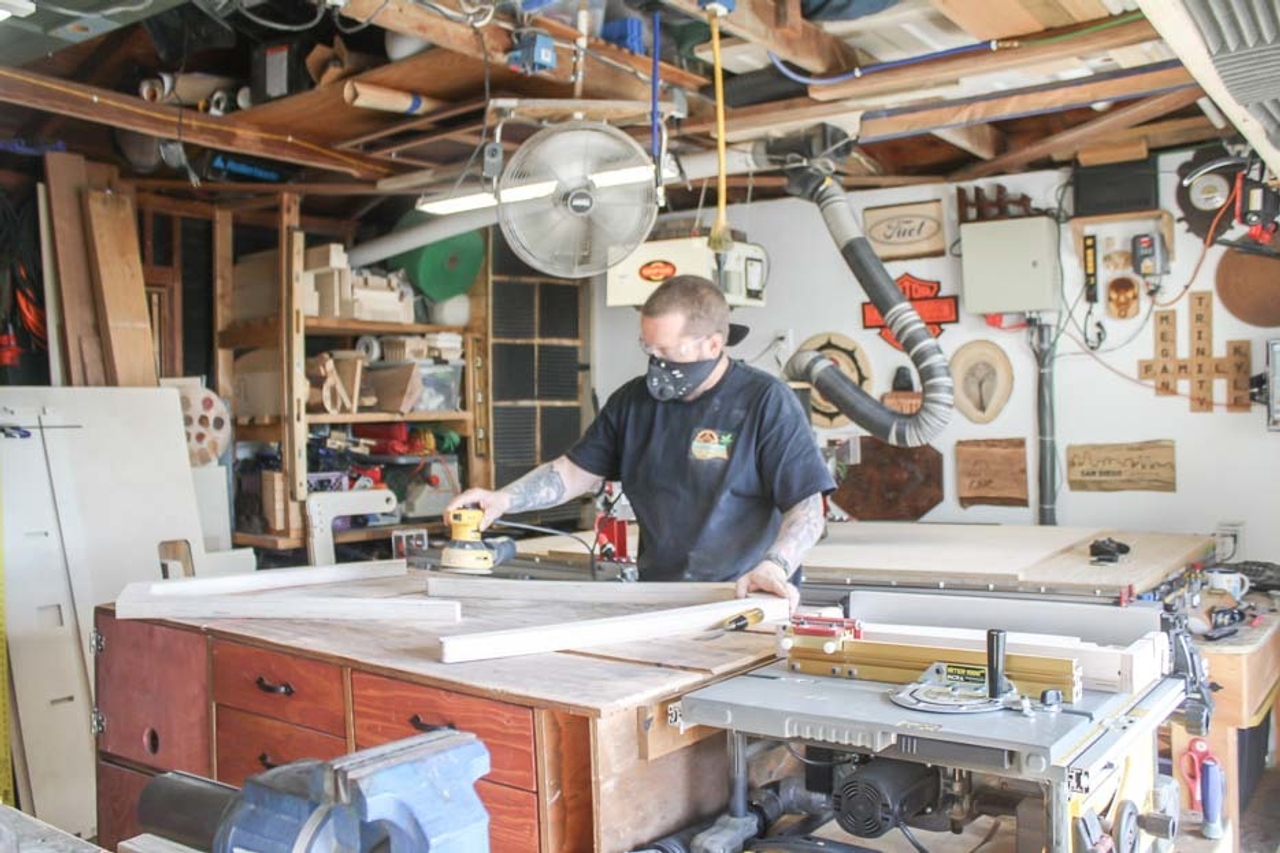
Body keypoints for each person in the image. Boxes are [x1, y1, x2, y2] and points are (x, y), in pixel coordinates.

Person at [447, 275, 834, 610]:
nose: (656, 364)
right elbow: (572, 473)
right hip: (660, 597)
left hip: (744, 596)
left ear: (713, 346)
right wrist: (504, 500)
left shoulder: (765, 402)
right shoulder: (633, 403)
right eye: (648, 349)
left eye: (668, 352)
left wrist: (775, 566)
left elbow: (808, 508)